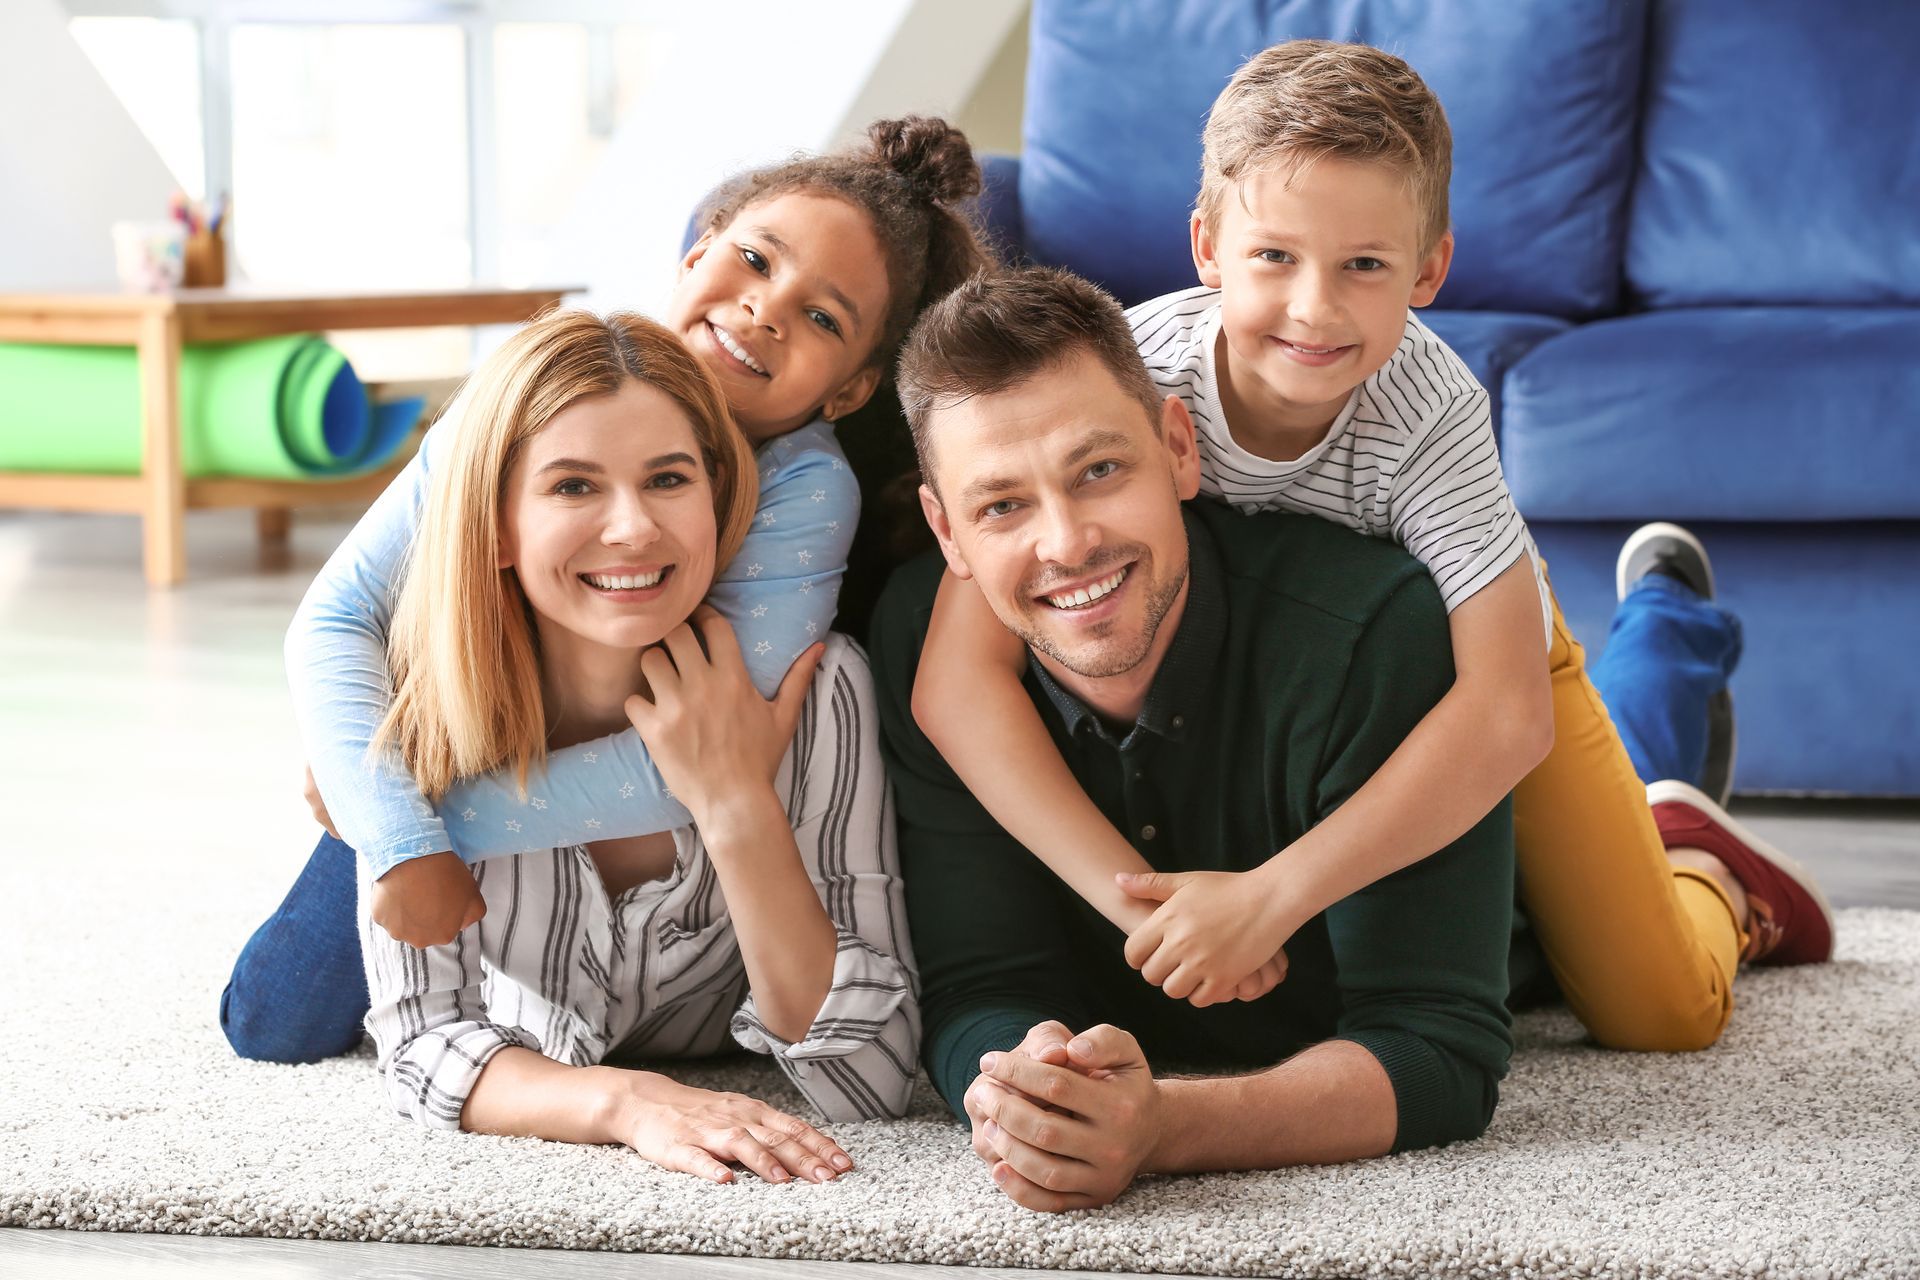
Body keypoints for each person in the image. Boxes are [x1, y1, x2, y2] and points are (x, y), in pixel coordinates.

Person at [906, 42, 1831, 1038]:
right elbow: (956, 681)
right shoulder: (1129, 379)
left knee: (1662, 1007)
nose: (1314, 306)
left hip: (1500, 649)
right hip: (1287, 661)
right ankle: (1664, 661)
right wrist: (1149, 913)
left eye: (1364, 265)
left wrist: (1271, 897)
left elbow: (1507, 713)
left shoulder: (1431, 416)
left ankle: (1697, 841)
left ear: (1429, 268)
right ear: (1209, 248)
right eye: (1274, 256)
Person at [221, 117, 990, 1064]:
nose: (764, 310)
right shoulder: (535, 387)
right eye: (753, 259)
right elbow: (337, 617)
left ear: (848, 389)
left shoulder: (803, 485)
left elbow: (712, 750)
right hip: (487, 709)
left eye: (822, 316)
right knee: (273, 1022)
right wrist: (389, 824)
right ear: (697, 250)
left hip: (598, 799)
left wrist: (427, 825)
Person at [359, 307, 916, 1183]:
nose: (633, 528)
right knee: (273, 1015)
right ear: (498, 525)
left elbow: (872, 1073)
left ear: (718, 498)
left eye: (668, 479)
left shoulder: (817, 686)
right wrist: (622, 1103)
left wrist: (736, 804)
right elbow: (422, 1044)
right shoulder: (406, 710)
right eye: (574, 486)